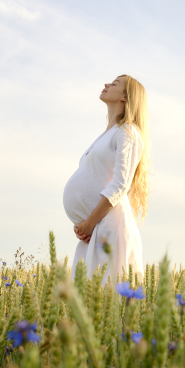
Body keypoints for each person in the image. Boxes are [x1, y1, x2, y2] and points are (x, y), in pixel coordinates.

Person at [63, 74, 151, 284]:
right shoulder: (108, 134)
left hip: (108, 228)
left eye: (114, 84)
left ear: (125, 97)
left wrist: (89, 223)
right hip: (94, 231)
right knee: (86, 299)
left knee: (106, 300)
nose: (106, 84)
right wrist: (85, 225)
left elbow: (120, 184)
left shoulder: (128, 132)